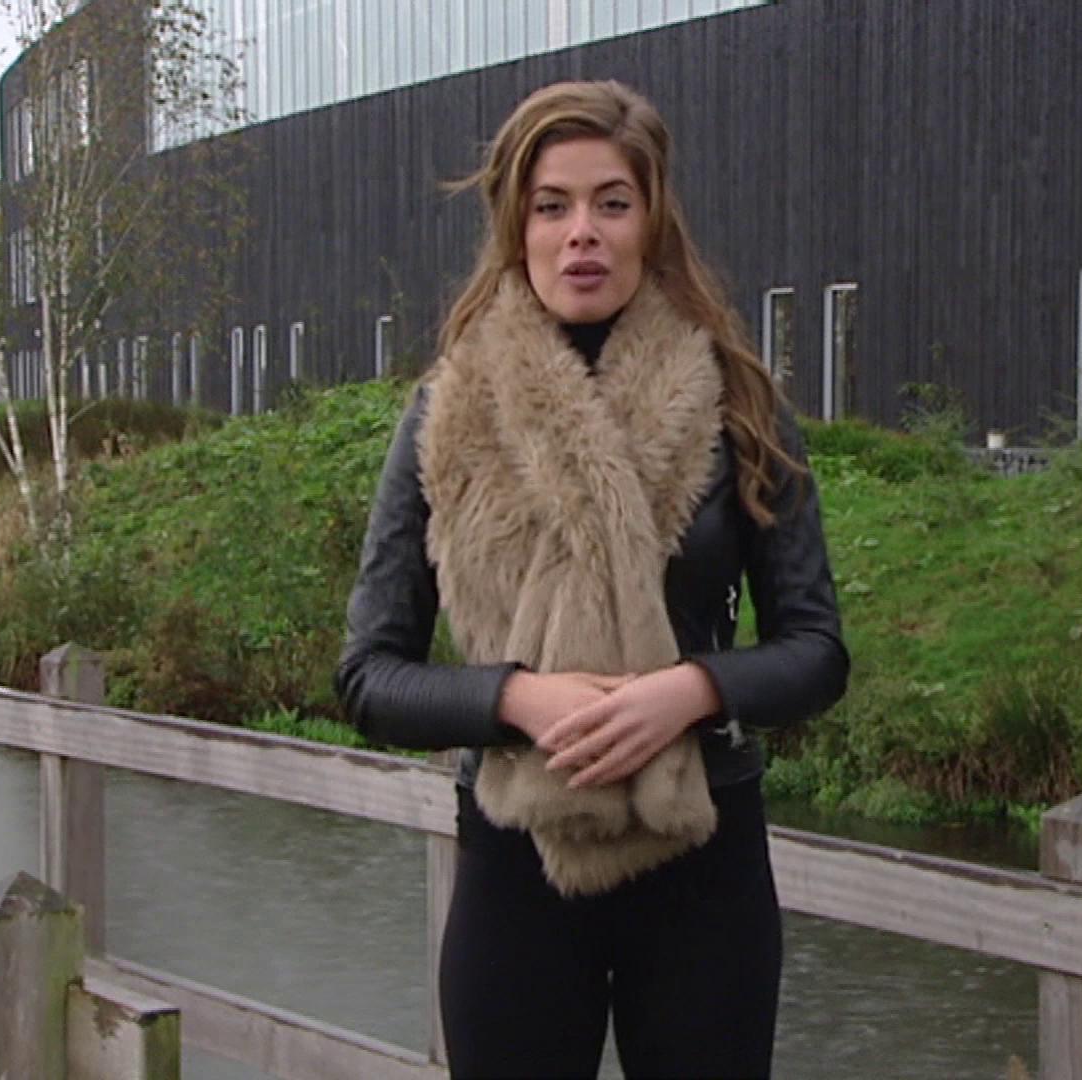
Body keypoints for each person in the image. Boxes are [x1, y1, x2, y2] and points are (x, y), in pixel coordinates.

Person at [334, 79, 848, 1080]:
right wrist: (518, 700)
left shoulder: (738, 406)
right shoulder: (445, 419)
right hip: (516, 860)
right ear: (516, 226)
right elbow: (368, 677)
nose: (583, 232)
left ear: (652, 221)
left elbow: (818, 652)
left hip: (704, 860)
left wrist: (688, 693)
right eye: (552, 205)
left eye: (612, 202)